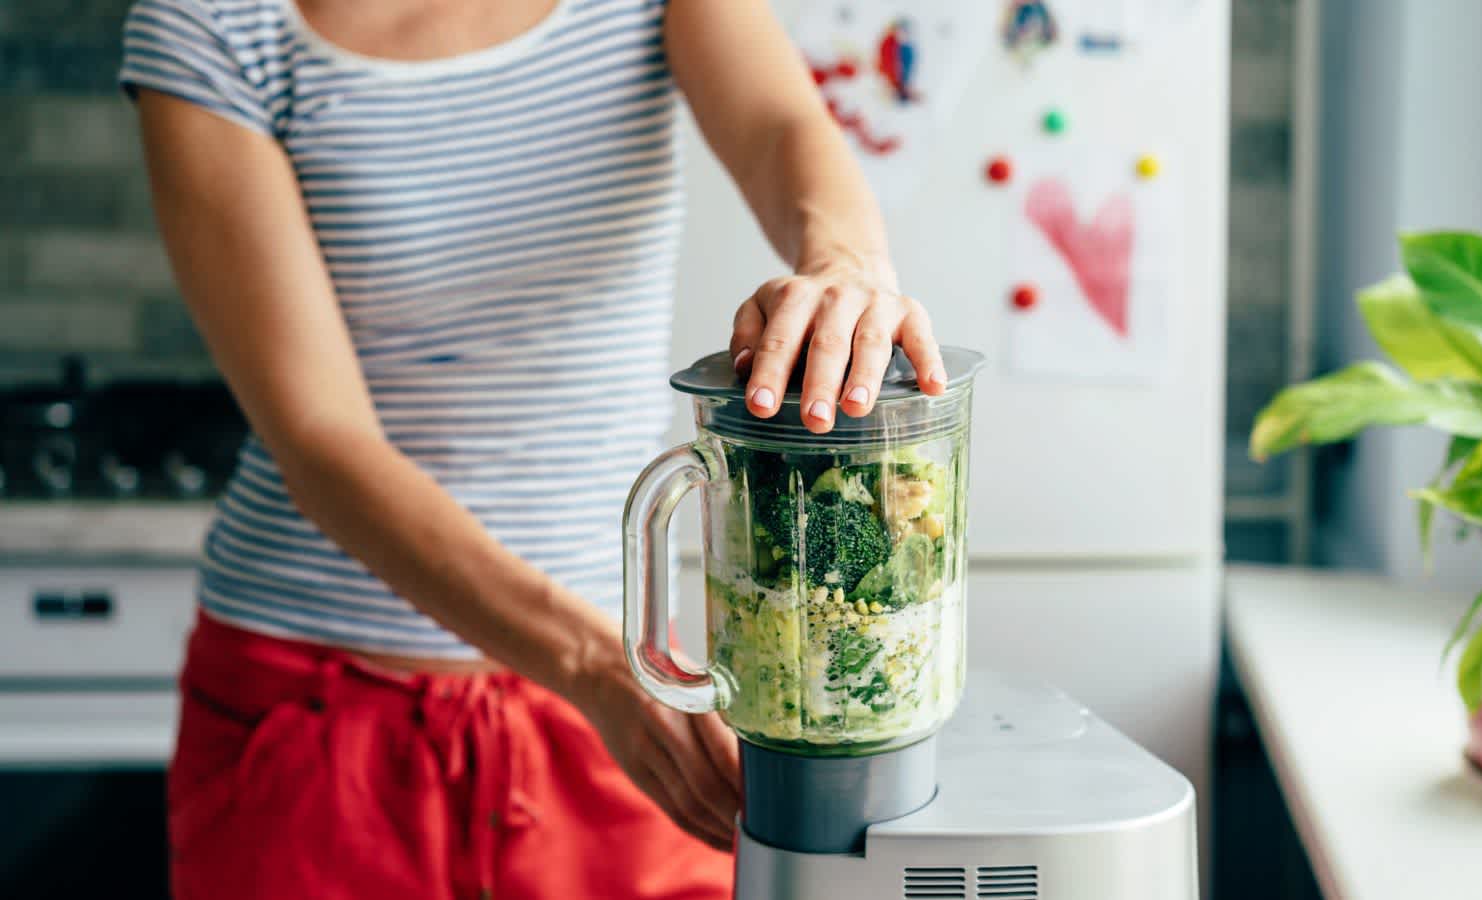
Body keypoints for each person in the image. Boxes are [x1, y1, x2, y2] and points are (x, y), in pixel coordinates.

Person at [119, 0, 946, 897]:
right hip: (320, 719)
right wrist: (593, 664)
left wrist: (844, 265)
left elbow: (782, 127)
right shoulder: (211, 25)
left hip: (615, 720)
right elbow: (322, 443)